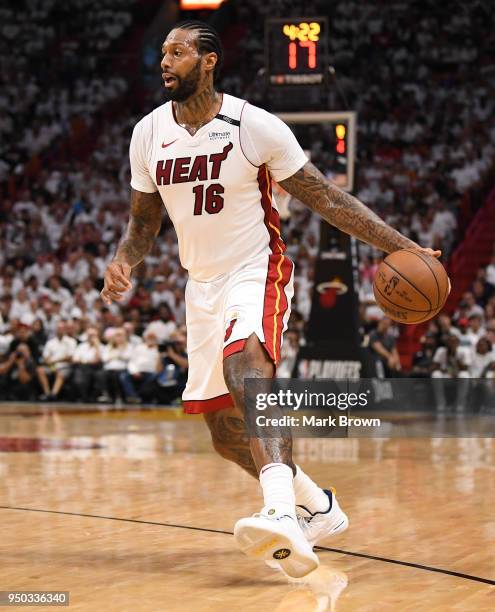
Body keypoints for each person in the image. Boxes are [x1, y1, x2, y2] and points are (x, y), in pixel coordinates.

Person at [100, 20, 441, 578]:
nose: (165, 61)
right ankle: (318, 507)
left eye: (178, 52)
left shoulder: (252, 126)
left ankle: (281, 511)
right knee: (224, 433)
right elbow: (143, 222)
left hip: (255, 268)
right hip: (199, 284)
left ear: (209, 61)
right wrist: (124, 261)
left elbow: (327, 198)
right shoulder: (147, 134)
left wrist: (403, 248)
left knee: (246, 369)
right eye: (162, 52)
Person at [36, 321, 77, 401]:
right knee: (40, 370)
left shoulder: (71, 341)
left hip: (65, 367)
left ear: (65, 330)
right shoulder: (50, 342)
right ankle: (47, 393)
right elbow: (45, 357)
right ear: (55, 330)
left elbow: (70, 358)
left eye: (62, 329)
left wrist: (55, 360)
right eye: (58, 328)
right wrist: (49, 362)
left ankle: (54, 395)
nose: (60, 330)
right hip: (52, 367)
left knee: (60, 373)